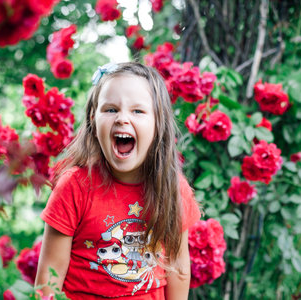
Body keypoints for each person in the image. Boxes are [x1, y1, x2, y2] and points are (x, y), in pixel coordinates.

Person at [35, 62, 201, 299]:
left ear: (158, 124)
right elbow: (48, 282)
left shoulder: (174, 189)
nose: (122, 118)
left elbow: (179, 271)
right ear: (93, 120)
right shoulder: (74, 187)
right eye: (111, 109)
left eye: (138, 111)